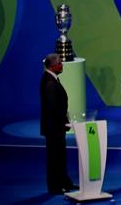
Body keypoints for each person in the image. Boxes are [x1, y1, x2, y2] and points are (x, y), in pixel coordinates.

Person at [40, 53, 74, 195]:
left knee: (59, 156)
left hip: (56, 126)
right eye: (60, 63)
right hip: (54, 128)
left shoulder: (52, 79)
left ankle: (64, 182)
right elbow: (53, 108)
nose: (62, 65)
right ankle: (55, 187)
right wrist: (63, 122)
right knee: (55, 157)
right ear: (53, 66)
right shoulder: (49, 83)